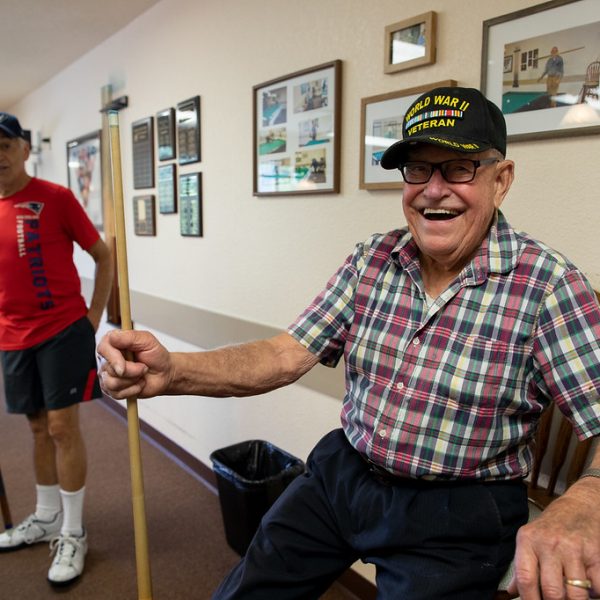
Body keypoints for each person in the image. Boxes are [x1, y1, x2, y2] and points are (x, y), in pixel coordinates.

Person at [97, 87, 600, 600]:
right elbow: (284, 354)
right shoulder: (373, 258)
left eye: (458, 168)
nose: (433, 189)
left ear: (502, 180)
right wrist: (171, 371)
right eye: (418, 170)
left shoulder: (550, 286)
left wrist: (588, 498)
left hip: (458, 511)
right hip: (345, 472)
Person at [0, 113, 113, 585]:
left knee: (64, 427)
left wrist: (91, 320)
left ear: (24, 148)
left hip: (63, 330)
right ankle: (46, 515)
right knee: (37, 427)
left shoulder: (57, 198)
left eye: (5, 145)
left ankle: (73, 530)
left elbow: (102, 256)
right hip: (12, 336)